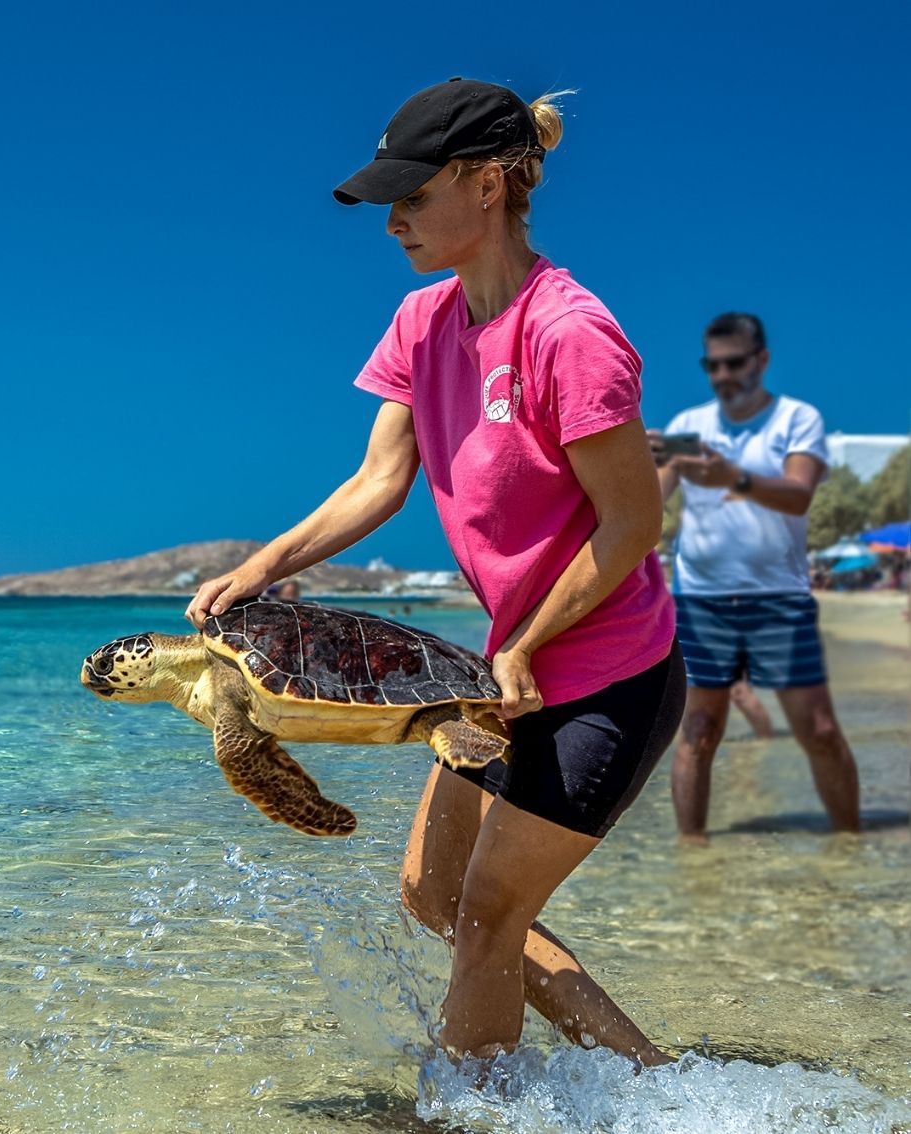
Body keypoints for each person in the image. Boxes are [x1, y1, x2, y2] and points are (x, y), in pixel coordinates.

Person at [186, 78, 683, 1066]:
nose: (392, 222)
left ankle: (461, 1116)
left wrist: (530, 642)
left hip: (603, 677)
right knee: (433, 897)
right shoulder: (421, 322)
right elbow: (378, 479)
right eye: (388, 203)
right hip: (499, 678)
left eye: (412, 198)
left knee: (490, 914)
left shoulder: (567, 333)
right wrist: (260, 568)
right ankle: (651, 1082)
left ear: (486, 185)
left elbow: (632, 522)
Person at [652, 312, 861, 843]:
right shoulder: (689, 429)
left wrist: (732, 477)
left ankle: (849, 845)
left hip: (778, 599)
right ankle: (693, 859)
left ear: (762, 360)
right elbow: (649, 503)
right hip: (701, 601)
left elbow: (798, 494)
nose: (722, 375)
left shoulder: (797, 418)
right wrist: (630, 455)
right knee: (699, 731)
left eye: (734, 363)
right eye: (712, 365)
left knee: (818, 731)